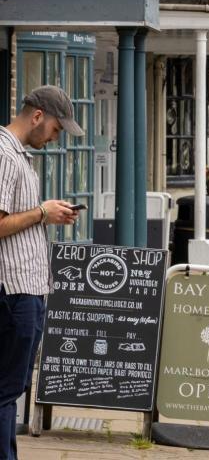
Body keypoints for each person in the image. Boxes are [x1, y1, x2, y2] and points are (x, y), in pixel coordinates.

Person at [0, 87, 83, 460]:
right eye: (55, 129)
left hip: (24, 291)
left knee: (8, 391)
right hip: (13, 293)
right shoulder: (4, 155)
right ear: (37, 117)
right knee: (5, 392)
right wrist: (41, 213)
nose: (54, 138)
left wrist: (49, 214)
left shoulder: (17, 156)